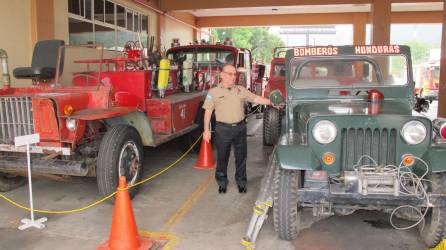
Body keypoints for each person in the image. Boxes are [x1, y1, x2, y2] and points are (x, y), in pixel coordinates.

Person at [202, 64, 272, 194]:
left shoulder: (240, 90)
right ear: (222, 75)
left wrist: (271, 101)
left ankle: (241, 182)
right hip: (222, 129)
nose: (233, 77)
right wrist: (206, 130)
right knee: (222, 158)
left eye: (235, 74)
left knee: (241, 157)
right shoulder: (214, 92)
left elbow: (256, 98)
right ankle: (222, 183)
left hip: (240, 128)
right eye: (230, 74)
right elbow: (208, 112)